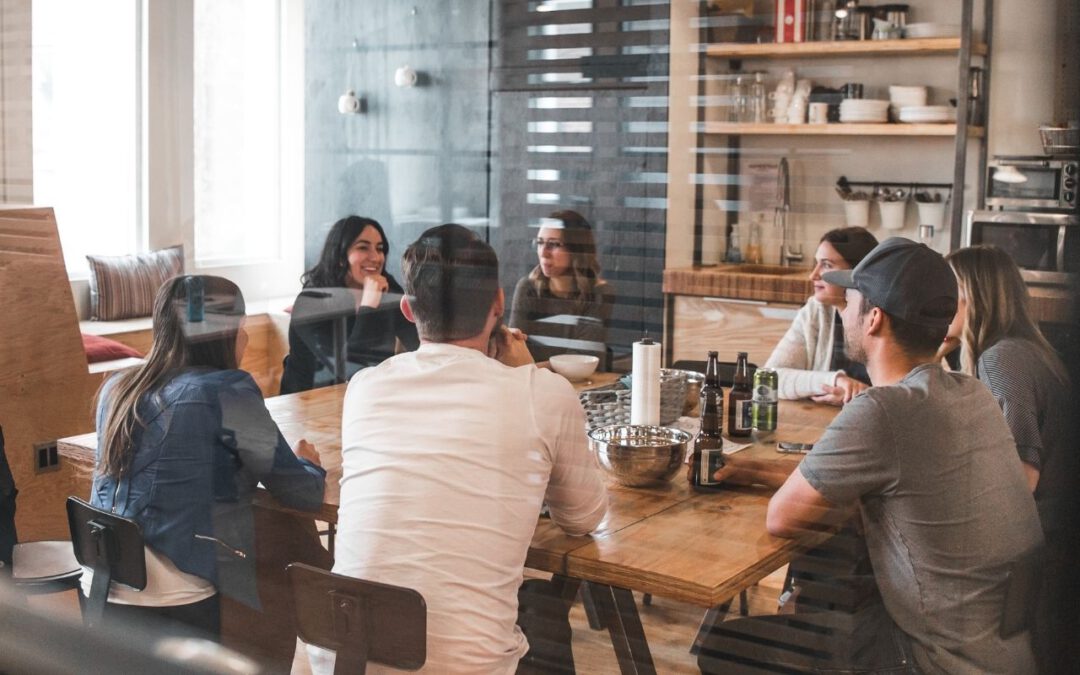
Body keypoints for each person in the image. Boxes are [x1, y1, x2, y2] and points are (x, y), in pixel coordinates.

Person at [701, 238, 1044, 674]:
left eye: (851, 300)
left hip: (930, 659)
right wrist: (756, 469)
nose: (842, 309)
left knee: (726, 648)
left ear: (874, 318)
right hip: (999, 651)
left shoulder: (884, 409)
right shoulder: (969, 393)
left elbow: (782, 518)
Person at [310, 224, 608, 674]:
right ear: (499, 304)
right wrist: (527, 373)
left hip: (341, 660)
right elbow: (583, 518)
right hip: (467, 667)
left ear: (407, 309)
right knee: (542, 616)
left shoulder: (365, 388)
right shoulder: (542, 394)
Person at [88, 275, 326, 640]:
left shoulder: (116, 390)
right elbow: (301, 493)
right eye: (242, 327)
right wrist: (310, 462)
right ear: (226, 332)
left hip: (105, 589)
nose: (245, 338)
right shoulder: (227, 391)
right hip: (178, 598)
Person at [944, 245, 1077, 674]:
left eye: (949, 295)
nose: (939, 306)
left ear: (974, 297)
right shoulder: (1025, 350)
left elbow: (1022, 478)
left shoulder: (1002, 360)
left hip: (1040, 552)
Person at [280, 215, 420, 394]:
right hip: (308, 404)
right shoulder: (311, 302)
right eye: (363, 248)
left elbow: (419, 343)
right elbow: (352, 371)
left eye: (380, 249)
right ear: (340, 256)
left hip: (366, 397)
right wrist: (369, 306)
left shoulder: (387, 287)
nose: (376, 257)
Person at [765, 226, 878, 405]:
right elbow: (769, 378)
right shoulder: (815, 311)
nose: (813, 275)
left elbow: (905, 395)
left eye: (826, 265)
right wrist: (836, 381)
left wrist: (860, 395)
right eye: (816, 263)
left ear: (857, 272)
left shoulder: (885, 317)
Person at [509, 210, 615, 363]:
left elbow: (580, 359)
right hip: (533, 381)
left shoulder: (600, 293)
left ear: (576, 250)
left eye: (553, 244)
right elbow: (514, 349)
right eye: (540, 243)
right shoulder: (528, 288)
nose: (544, 253)